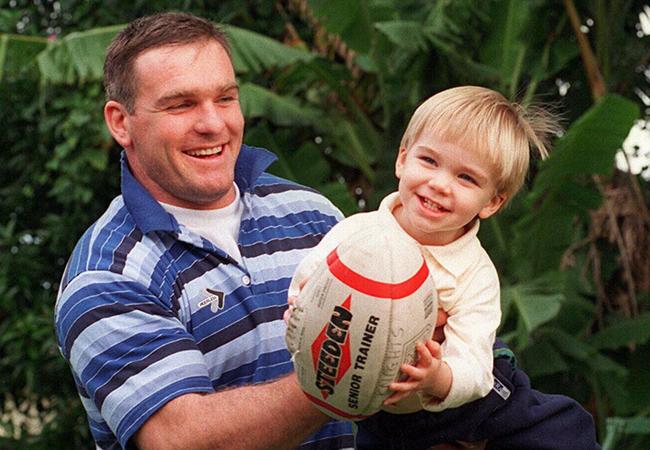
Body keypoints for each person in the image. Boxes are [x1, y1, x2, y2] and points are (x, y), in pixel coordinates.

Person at [54, 12, 354, 450]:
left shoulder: (313, 216)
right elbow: (182, 439)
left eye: (226, 98)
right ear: (121, 122)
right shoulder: (107, 275)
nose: (213, 124)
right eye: (181, 104)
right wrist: (347, 380)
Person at [287, 87, 601, 449]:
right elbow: (310, 281)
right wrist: (301, 310)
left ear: (493, 202)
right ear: (402, 159)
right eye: (429, 161)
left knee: (564, 430)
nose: (440, 184)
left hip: (471, 404)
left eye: (466, 178)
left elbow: (475, 363)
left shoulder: (475, 274)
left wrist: (439, 378)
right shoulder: (358, 235)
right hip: (385, 411)